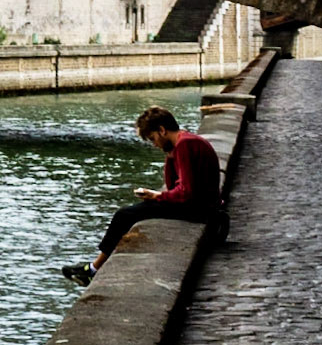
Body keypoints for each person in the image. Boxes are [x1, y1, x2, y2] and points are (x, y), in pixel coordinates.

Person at [62, 106, 222, 285]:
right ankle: (93, 268)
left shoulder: (184, 145)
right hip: (202, 206)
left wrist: (155, 196)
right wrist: (169, 156)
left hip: (198, 210)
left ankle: (94, 269)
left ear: (162, 130)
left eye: (153, 139)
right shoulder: (183, 143)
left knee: (125, 215)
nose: (154, 144)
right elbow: (173, 186)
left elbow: (185, 192)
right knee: (131, 213)